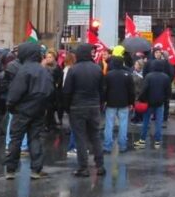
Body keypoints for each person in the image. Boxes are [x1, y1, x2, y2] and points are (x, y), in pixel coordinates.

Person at [2, 42, 52, 180]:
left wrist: (11, 105)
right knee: (34, 138)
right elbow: (50, 91)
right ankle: (36, 169)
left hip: (21, 111)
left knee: (15, 140)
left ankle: (11, 170)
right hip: (38, 111)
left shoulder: (24, 70)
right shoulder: (44, 70)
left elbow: (15, 92)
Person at [63, 43, 105, 177]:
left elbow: (67, 91)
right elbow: (102, 89)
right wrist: (99, 103)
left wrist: (67, 107)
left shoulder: (73, 70)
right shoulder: (97, 69)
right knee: (95, 136)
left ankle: (83, 167)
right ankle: (100, 165)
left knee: (80, 137)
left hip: (77, 106)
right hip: (93, 106)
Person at [102, 55, 135, 153]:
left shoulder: (108, 75)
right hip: (124, 102)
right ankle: (122, 145)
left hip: (111, 102)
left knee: (109, 125)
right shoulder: (127, 75)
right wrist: (131, 102)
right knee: (123, 124)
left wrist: (104, 101)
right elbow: (131, 91)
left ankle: (107, 146)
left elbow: (104, 90)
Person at [135, 59, 171, 149]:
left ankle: (142, 140)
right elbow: (168, 92)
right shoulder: (166, 77)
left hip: (148, 103)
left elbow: (144, 90)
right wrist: (164, 99)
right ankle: (157, 142)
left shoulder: (148, 76)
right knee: (158, 122)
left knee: (146, 122)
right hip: (160, 103)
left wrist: (141, 99)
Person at [42, 49, 63, 132]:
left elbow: (60, 78)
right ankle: (46, 124)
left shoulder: (57, 67)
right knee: (47, 108)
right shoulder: (43, 67)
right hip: (45, 91)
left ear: (54, 58)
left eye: (50, 57)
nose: (48, 58)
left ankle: (51, 123)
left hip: (54, 91)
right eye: (47, 57)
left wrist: (57, 83)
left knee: (52, 108)